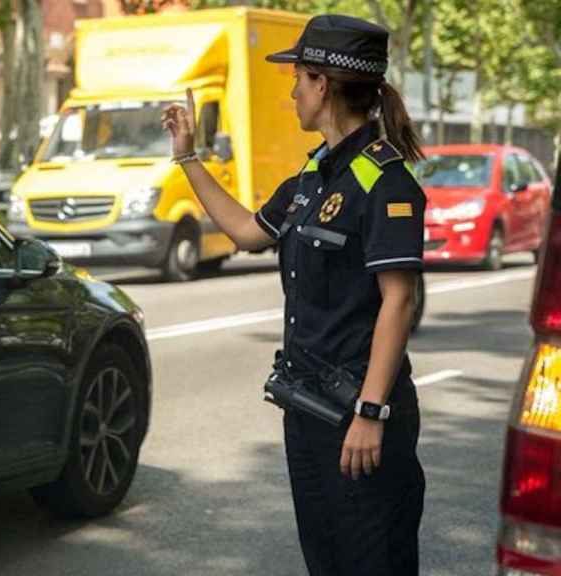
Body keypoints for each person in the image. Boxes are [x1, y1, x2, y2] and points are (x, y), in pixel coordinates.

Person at [162, 14, 426, 575]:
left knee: (373, 561)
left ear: (321, 84)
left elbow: (398, 302)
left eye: (297, 81)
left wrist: (371, 411)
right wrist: (188, 158)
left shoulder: (386, 182)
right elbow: (246, 231)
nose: (291, 96)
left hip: (360, 412)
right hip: (307, 411)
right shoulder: (312, 177)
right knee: (325, 562)